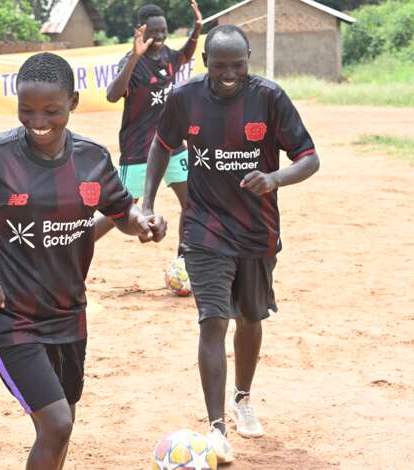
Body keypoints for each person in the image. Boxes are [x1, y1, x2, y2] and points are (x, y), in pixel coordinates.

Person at [0, 52, 166, 470]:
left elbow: (121, 212)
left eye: (51, 110)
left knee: (61, 423)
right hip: (11, 318)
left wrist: (143, 222)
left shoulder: (93, 159)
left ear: (74, 102)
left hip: (68, 313)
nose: (38, 120)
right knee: (58, 423)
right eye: (26, 110)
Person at [141, 25, 320, 463]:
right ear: (205, 62)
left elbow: (309, 158)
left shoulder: (270, 98)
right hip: (204, 228)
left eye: (237, 66)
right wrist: (145, 202)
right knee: (213, 320)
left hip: (258, 231)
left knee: (251, 319)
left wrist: (274, 178)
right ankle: (216, 426)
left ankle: (243, 397)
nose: (228, 74)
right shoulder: (184, 99)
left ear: (248, 59)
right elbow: (161, 147)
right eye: (219, 66)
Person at [94, 0, 203, 248]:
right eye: (153, 31)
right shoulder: (131, 62)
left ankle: (184, 261)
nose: (160, 36)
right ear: (140, 30)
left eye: (163, 30)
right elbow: (112, 95)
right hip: (138, 152)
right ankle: (73, 251)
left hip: (171, 146)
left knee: (192, 203)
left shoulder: (167, 57)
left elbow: (185, 55)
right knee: (120, 213)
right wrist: (135, 56)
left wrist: (197, 28)